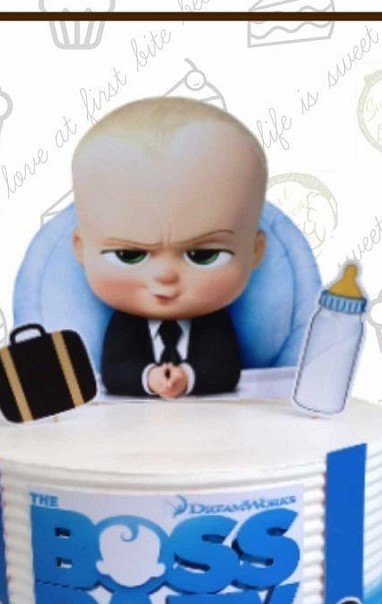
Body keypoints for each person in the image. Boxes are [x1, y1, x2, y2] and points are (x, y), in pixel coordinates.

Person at [71, 97, 268, 398]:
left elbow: (225, 369)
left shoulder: (214, 323)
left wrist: (188, 377)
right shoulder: (126, 324)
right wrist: (148, 378)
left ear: (255, 251)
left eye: (203, 255)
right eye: (129, 255)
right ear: (80, 249)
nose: (165, 275)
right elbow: (115, 371)